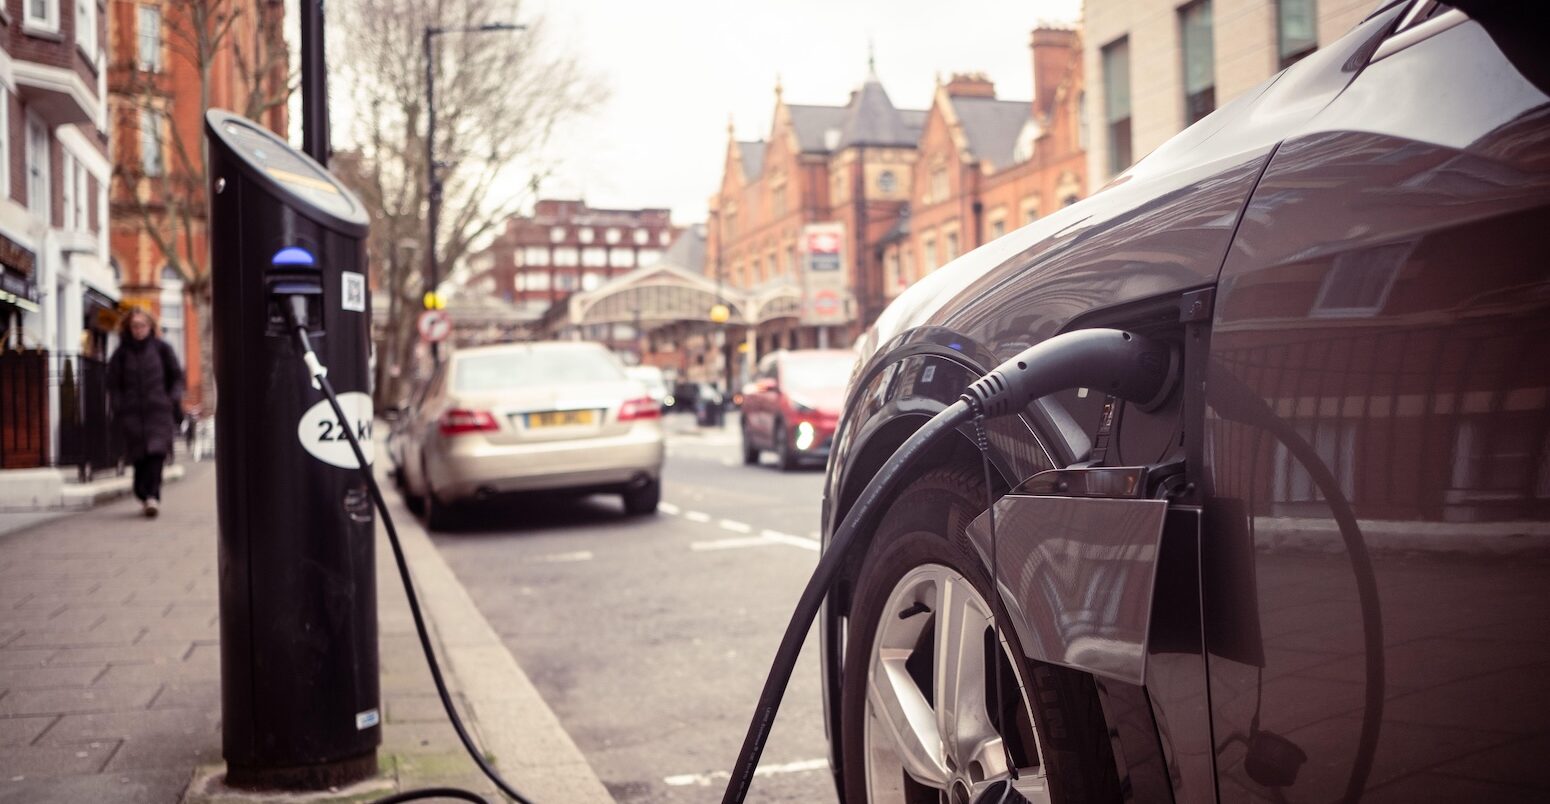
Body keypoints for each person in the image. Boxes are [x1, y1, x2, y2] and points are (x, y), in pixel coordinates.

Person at [107, 309, 184, 517]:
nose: (139, 330)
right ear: (129, 328)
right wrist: (119, 405)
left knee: (156, 455)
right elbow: (113, 384)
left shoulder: (162, 349)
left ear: (150, 327)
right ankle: (143, 493)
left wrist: (172, 399)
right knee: (139, 459)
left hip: (158, 412)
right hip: (132, 415)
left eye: (142, 325)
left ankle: (153, 497)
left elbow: (177, 376)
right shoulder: (121, 354)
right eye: (135, 326)